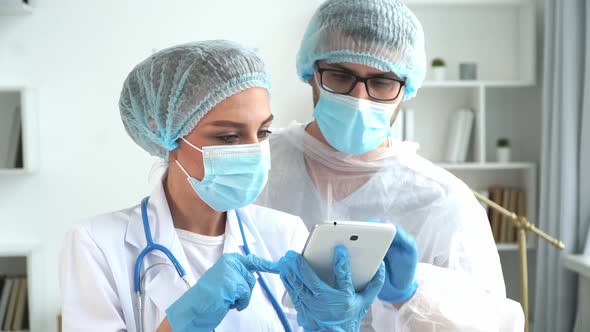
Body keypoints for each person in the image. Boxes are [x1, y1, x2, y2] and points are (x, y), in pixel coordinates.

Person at [59, 40, 386, 332]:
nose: (254, 151)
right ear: (166, 135)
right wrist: (179, 325)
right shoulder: (98, 244)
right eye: (228, 136)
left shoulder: (283, 234)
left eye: (263, 133)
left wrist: (333, 328)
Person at [256, 0, 524, 330]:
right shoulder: (259, 169)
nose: (359, 98)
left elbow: (491, 323)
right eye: (340, 76)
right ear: (311, 72)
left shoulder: (441, 199)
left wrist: (410, 295)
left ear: (406, 87)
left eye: (381, 82)